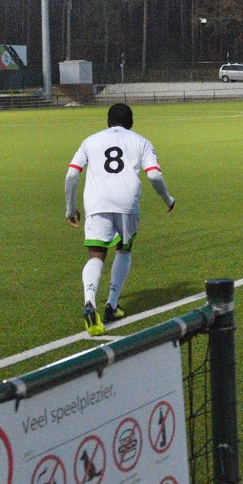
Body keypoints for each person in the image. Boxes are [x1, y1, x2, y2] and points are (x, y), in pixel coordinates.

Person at [65, 103, 176, 336]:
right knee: (123, 250)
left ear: (108, 121)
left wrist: (70, 207)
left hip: (96, 202)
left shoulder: (90, 140)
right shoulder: (141, 141)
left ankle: (89, 302)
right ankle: (112, 304)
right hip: (127, 202)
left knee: (96, 254)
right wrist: (167, 198)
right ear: (131, 122)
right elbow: (154, 174)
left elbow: (72, 173)